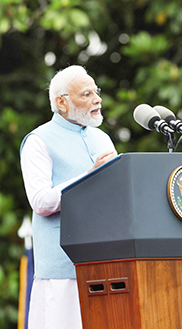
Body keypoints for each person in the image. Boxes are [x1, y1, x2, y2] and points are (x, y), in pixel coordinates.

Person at [20, 65, 118, 329]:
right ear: (61, 102)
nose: (97, 99)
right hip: (62, 270)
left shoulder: (103, 139)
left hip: (107, 265)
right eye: (86, 94)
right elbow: (40, 201)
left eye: (96, 92)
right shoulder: (38, 140)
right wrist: (88, 177)